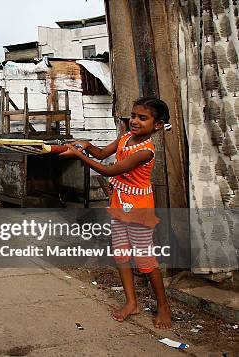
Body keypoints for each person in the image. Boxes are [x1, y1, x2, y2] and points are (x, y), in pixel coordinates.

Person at [60, 97, 173, 329]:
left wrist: (79, 155)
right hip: (120, 203)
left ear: (158, 125)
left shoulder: (146, 151)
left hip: (139, 209)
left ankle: (163, 306)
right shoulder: (124, 138)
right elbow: (101, 154)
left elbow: (108, 169)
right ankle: (132, 303)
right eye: (133, 116)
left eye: (143, 118)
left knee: (145, 260)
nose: (135, 121)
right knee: (121, 254)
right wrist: (87, 146)